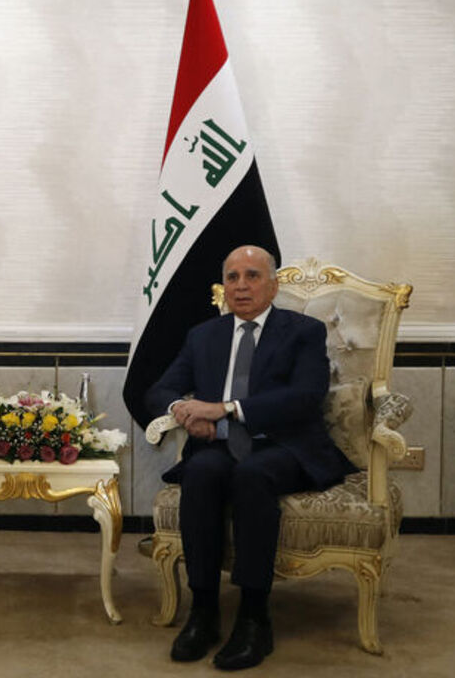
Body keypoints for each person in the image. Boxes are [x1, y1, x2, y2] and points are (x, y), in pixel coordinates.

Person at [145, 245, 355, 671]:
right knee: (201, 471)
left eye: (253, 275)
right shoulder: (203, 335)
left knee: (253, 475)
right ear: (225, 287)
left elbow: (305, 397)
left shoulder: (303, 331)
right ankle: (203, 611)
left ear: (273, 285)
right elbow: (160, 389)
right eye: (233, 276)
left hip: (285, 445)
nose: (242, 285)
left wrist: (224, 410)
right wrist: (184, 413)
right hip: (221, 445)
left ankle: (254, 617)